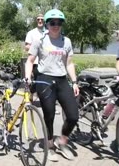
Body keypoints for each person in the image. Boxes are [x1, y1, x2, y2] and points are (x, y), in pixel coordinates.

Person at [24, 9, 79, 161]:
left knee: (73, 115)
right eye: (52, 22)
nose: (56, 25)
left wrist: (74, 81)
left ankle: (62, 141)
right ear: (47, 24)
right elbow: (29, 61)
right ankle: (49, 144)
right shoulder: (40, 40)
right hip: (44, 79)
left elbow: (69, 64)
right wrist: (28, 77)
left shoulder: (66, 41)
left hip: (62, 80)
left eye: (59, 22)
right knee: (49, 113)